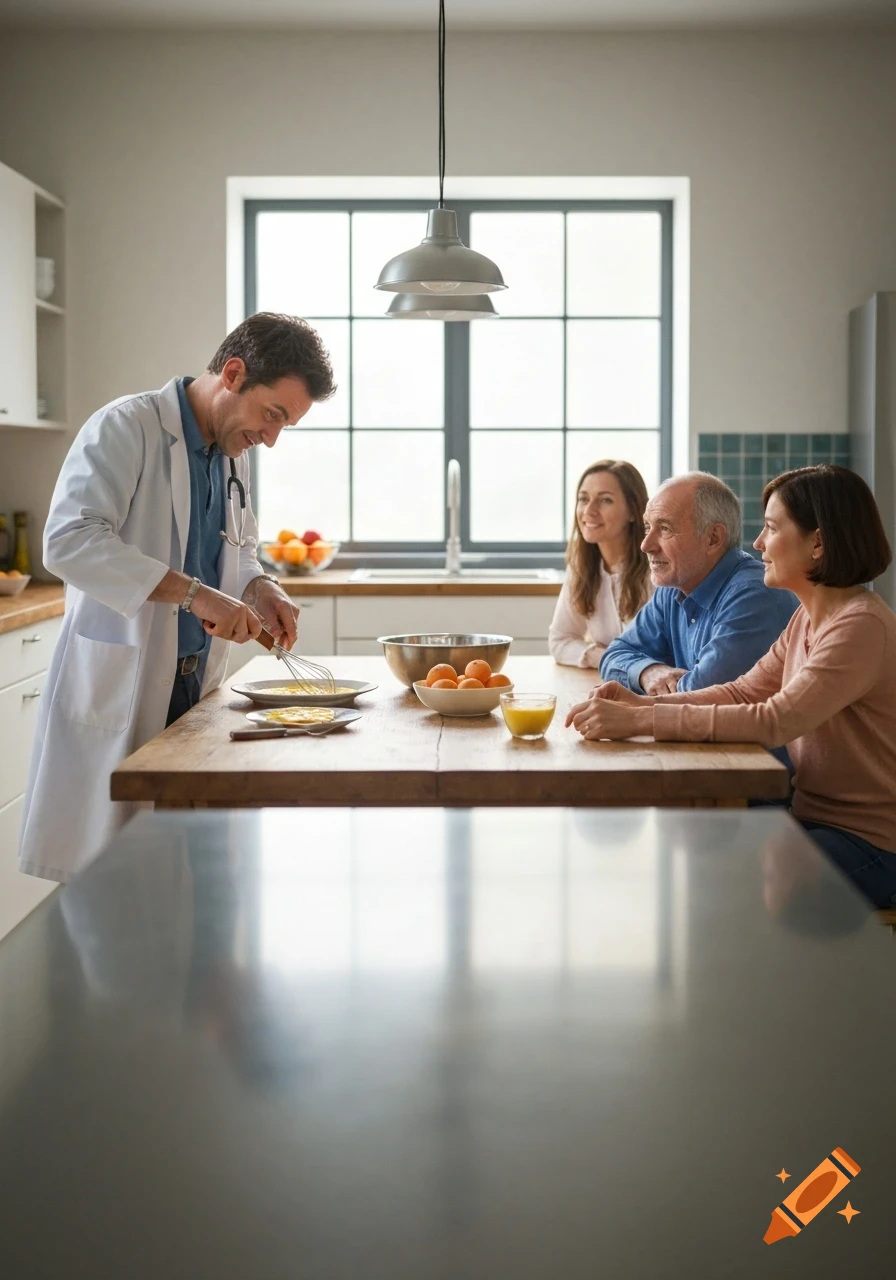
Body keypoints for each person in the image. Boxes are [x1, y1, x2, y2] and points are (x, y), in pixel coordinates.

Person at [19, 312, 336, 884]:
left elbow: (234, 552)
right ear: (233, 373)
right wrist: (195, 595)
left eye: (285, 424)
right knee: (114, 892)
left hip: (194, 686)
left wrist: (261, 586)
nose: (272, 437)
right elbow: (69, 541)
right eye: (273, 415)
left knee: (189, 879)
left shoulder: (232, 455)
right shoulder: (125, 427)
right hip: (128, 681)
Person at [567, 466, 896, 909]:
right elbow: (743, 691)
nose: (758, 543)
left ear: (817, 543)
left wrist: (640, 716)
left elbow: (774, 719)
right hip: (810, 819)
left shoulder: (860, 625)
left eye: (772, 528)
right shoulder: (807, 617)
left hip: (871, 844)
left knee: (726, 886)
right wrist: (638, 704)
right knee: (695, 864)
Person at [599, 472, 798, 695]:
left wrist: (630, 698)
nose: (646, 545)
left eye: (665, 528)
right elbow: (614, 655)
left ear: (713, 538)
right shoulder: (674, 584)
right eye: (648, 527)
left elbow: (697, 697)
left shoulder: (753, 596)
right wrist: (648, 672)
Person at [548, 459, 652, 668]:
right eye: (583, 499)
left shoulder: (658, 568)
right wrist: (604, 658)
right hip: (610, 684)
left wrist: (610, 659)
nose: (589, 510)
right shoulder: (581, 566)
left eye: (605, 500)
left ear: (634, 511)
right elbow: (560, 641)